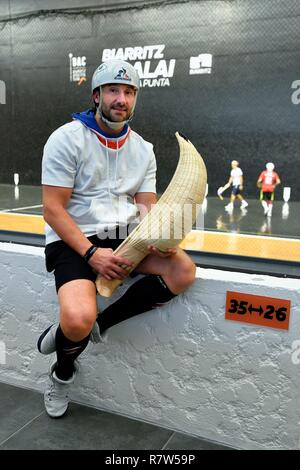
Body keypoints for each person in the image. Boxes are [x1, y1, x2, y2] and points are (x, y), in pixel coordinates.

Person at [38, 59, 196, 418]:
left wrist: (158, 236)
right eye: (113, 90)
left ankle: (101, 324)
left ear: (135, 98)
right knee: (75, 318)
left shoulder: (143, 149)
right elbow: (53, 210)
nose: (121, 98)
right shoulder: (65, 139)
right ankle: (62, 375)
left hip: (123, 236)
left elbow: (146, 210)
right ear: (97, 96)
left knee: (182, 271)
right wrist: (92, 254)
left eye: (128, 92)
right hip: (73, 238)